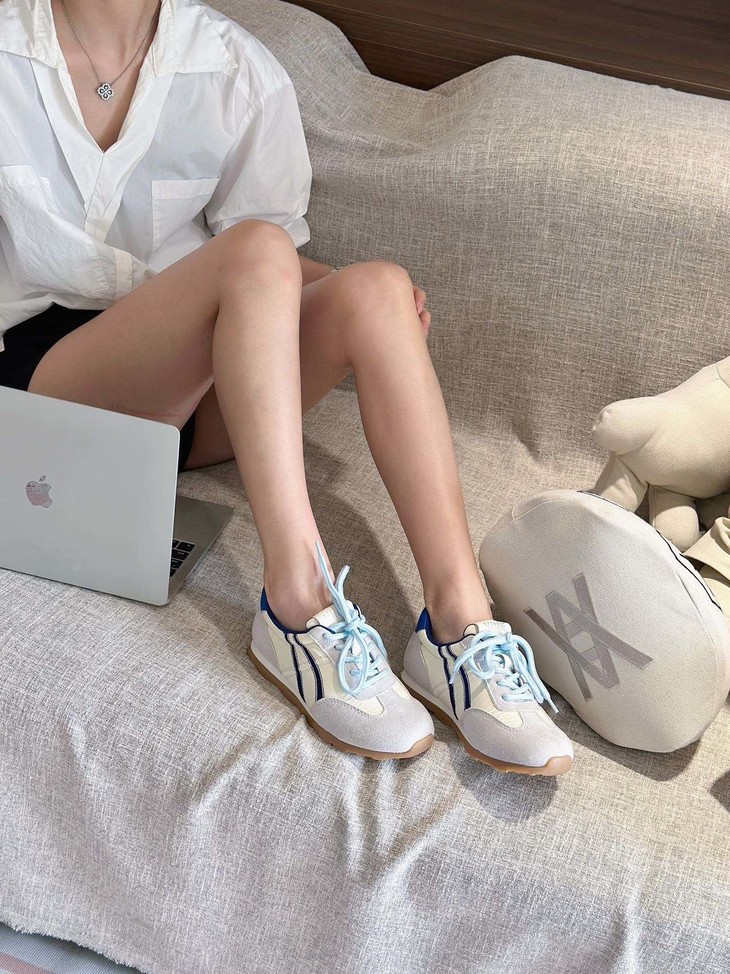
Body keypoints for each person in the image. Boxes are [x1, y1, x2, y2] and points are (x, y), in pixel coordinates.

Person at [0, 0, 573, 774]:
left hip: (192, 392)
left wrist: (373, 316)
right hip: (44, 382)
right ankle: (297, 603)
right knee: (256, 249)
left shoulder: (235, 69)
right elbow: (254, 256)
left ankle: (458, 625)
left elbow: (269, 269)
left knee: (375, 288)